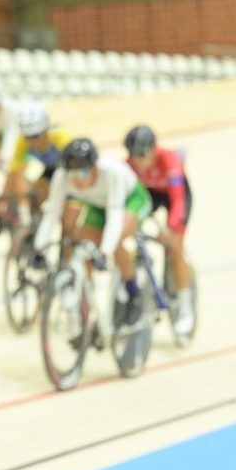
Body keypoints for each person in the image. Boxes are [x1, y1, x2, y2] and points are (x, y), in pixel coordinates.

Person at [35, 138, 152, 332]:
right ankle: (87, 308)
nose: (77, 180)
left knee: (116, 238)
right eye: (72, 174)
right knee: (79, 245)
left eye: (82, 172)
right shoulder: (61, 177)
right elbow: (52, 214)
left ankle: (134, 295)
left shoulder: (111, 173)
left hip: (130, 199)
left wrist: (104, 253)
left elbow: (114, 216)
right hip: (98, 205)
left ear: (94, 167)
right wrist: (40, 249)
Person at [124, 125, 195, 333]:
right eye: (133, 155)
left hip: (174, 195)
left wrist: (171, 228)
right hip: (150, 195)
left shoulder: (169, 160)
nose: (138, 160)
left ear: (154, 149)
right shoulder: (128, 165)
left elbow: (178, 202)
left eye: (142, 155)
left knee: (174, 246)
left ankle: (185, 304)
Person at [3, 100, 73, 215]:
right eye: (28, 137)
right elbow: (14, 172)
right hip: (51, 170)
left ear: (45, 130)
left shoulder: (60, 138)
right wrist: (5, 199)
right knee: (34, 197)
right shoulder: (22, 142)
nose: (32, 142)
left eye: (36, 136)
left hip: (68, 171)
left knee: (66, 211)